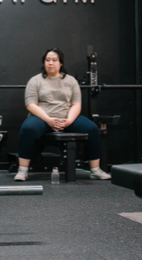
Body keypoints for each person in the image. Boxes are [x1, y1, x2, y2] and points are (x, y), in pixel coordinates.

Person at [15, 48, 110, 181]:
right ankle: (22, 171)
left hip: (66, 117)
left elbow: (76, 104)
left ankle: (95, 170)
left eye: (54, 60)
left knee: (92, 128)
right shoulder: (35, 81)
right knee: (28, 128)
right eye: (47, 60)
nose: (50, 63)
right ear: (44, 62)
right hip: (42, 118)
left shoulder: (71, 81)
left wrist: (69, 120)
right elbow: (31, 105)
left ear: (61, 63)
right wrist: (48, 120)